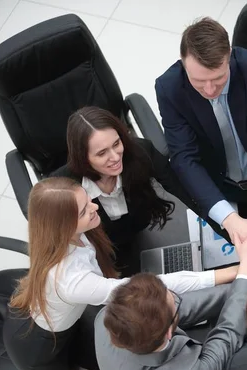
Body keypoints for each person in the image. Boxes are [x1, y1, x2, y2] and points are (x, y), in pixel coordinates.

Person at [3, 177, 238, 370]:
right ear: (63, 226)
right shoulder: (71, 281)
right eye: (84, 211)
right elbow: (155, 288)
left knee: (82, 362)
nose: (94, 208)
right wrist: (233, 272)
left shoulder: (61, 238)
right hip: (38, 347)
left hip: (61, 320)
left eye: (87, 201)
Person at [155, 17, 247, 245]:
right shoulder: (169, 88)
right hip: (219, 187)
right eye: (199, 81)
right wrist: (229, 219)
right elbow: (184, 157)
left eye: (218, 78)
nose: (210, 90)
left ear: (229, 56)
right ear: (183, 62)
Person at [95, 223, 247, 370]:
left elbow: (186, 307)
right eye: (173, 300)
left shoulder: (108, 317)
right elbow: (228, 335)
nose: (178, 299)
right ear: (168, 333)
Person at [53, 106, 198, 276]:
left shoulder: (140, 151)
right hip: (98, 253)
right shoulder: (63, 186)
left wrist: (225, 221)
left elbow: (185, 189)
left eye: (116, 144)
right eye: (102, 153)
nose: (115, 157)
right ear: (83, 157)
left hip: (140, 230)